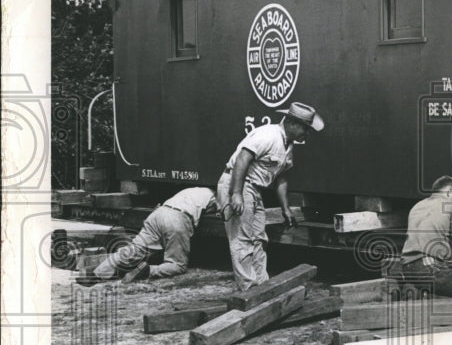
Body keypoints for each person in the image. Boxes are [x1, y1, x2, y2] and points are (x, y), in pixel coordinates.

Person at [217, 101, 323, 292]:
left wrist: (286, 209)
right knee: (242, 240)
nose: (306, 134)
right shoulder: (268, 135)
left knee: (259, 238)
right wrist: (237, 194)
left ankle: (262, 287)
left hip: (255, 189)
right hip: (238, 183)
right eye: (304, 128)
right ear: (291, 123)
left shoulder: (288, 144)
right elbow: (242, 159)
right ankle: (249, 292)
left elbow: (281, 178)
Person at [88, 186, 218, 283]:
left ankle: (97, 273)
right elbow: (222, 212)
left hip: (158, 213)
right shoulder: (216, 195)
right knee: (178, 265)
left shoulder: (192, 190)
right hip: (178, 219)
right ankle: (147, 271)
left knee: (133, 249)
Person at [385, 175, 452, 298]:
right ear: (449, 192)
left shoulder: (417, 206)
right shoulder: (450, 206)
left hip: (407, 268)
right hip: (428, 268)